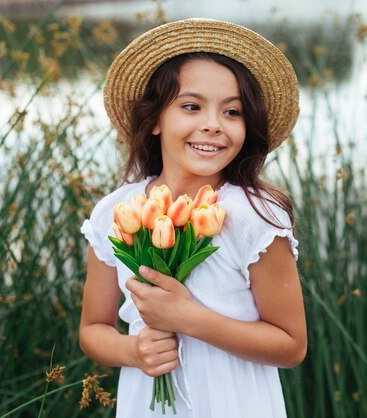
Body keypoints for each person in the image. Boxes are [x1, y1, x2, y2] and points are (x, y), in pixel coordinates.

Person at [79, 18, 306, 418]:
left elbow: (291, 346)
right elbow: (93, 330)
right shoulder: (115, 211)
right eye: (191, 106)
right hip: (146, 403)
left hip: (235, 404)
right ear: (153, 119)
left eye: (232, 112)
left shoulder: (253, 216)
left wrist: (188, 318)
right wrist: (132, 350)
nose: (212, 125)